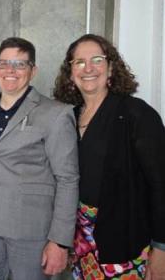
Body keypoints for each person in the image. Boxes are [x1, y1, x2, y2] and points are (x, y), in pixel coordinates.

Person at [0, 37, 79, 279]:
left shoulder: (56, 114)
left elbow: (67, 180)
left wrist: (59, 241)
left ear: (33, 71)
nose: (10, 71)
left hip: (31, 231)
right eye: (4, 63)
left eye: (19, 64)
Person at [53, 34, 165, 279]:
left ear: (111, 67)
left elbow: (161, 184)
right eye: (79, 62)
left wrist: (162, 248)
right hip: (80, 244)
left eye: (97, 59)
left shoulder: (137, 114)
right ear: (71, 73)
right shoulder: (67, 117)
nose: (88, 68)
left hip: (126, 242)